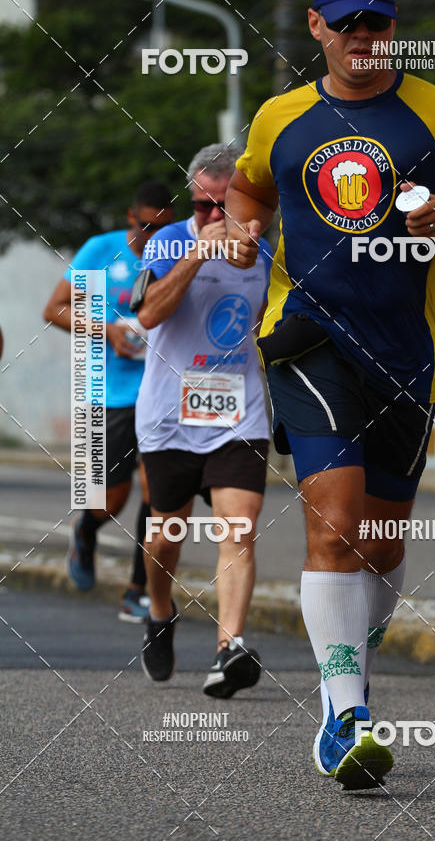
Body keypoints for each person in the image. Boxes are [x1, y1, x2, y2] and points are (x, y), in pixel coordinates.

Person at [224, 0, 435, 789]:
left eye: (378, 21)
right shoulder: (280, 117)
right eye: (346, 21)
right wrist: (244, 231)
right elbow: (249, 189)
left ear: (395, 28)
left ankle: (351, 643)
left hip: (402, 352)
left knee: (383, 545)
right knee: (336, 524)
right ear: (317, 27)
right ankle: (343, 716)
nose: (364, 35)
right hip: (307, 338)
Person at [135, 143, 271, 697]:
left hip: (238, 411)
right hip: (169, 413)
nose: (214, 217)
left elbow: (268, 322)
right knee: (166, 534)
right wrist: (198, 254)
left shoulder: (269, 250)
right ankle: (160, 611)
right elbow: (147, 313)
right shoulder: (168, 241)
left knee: (237, 530)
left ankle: (226, 650)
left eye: (225, 207)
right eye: (202, 206)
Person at [43, 180, 174, 621]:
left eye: (163, 228)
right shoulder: (101, 251)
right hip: (108, 390)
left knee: (160, 496)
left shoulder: (176, 253)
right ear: (129, 218)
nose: (153, 238)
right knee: (110, 500)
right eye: (145, 228)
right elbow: (55, 309)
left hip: (162, 393)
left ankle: (136, 590)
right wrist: (109, 331)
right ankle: (87, 529)